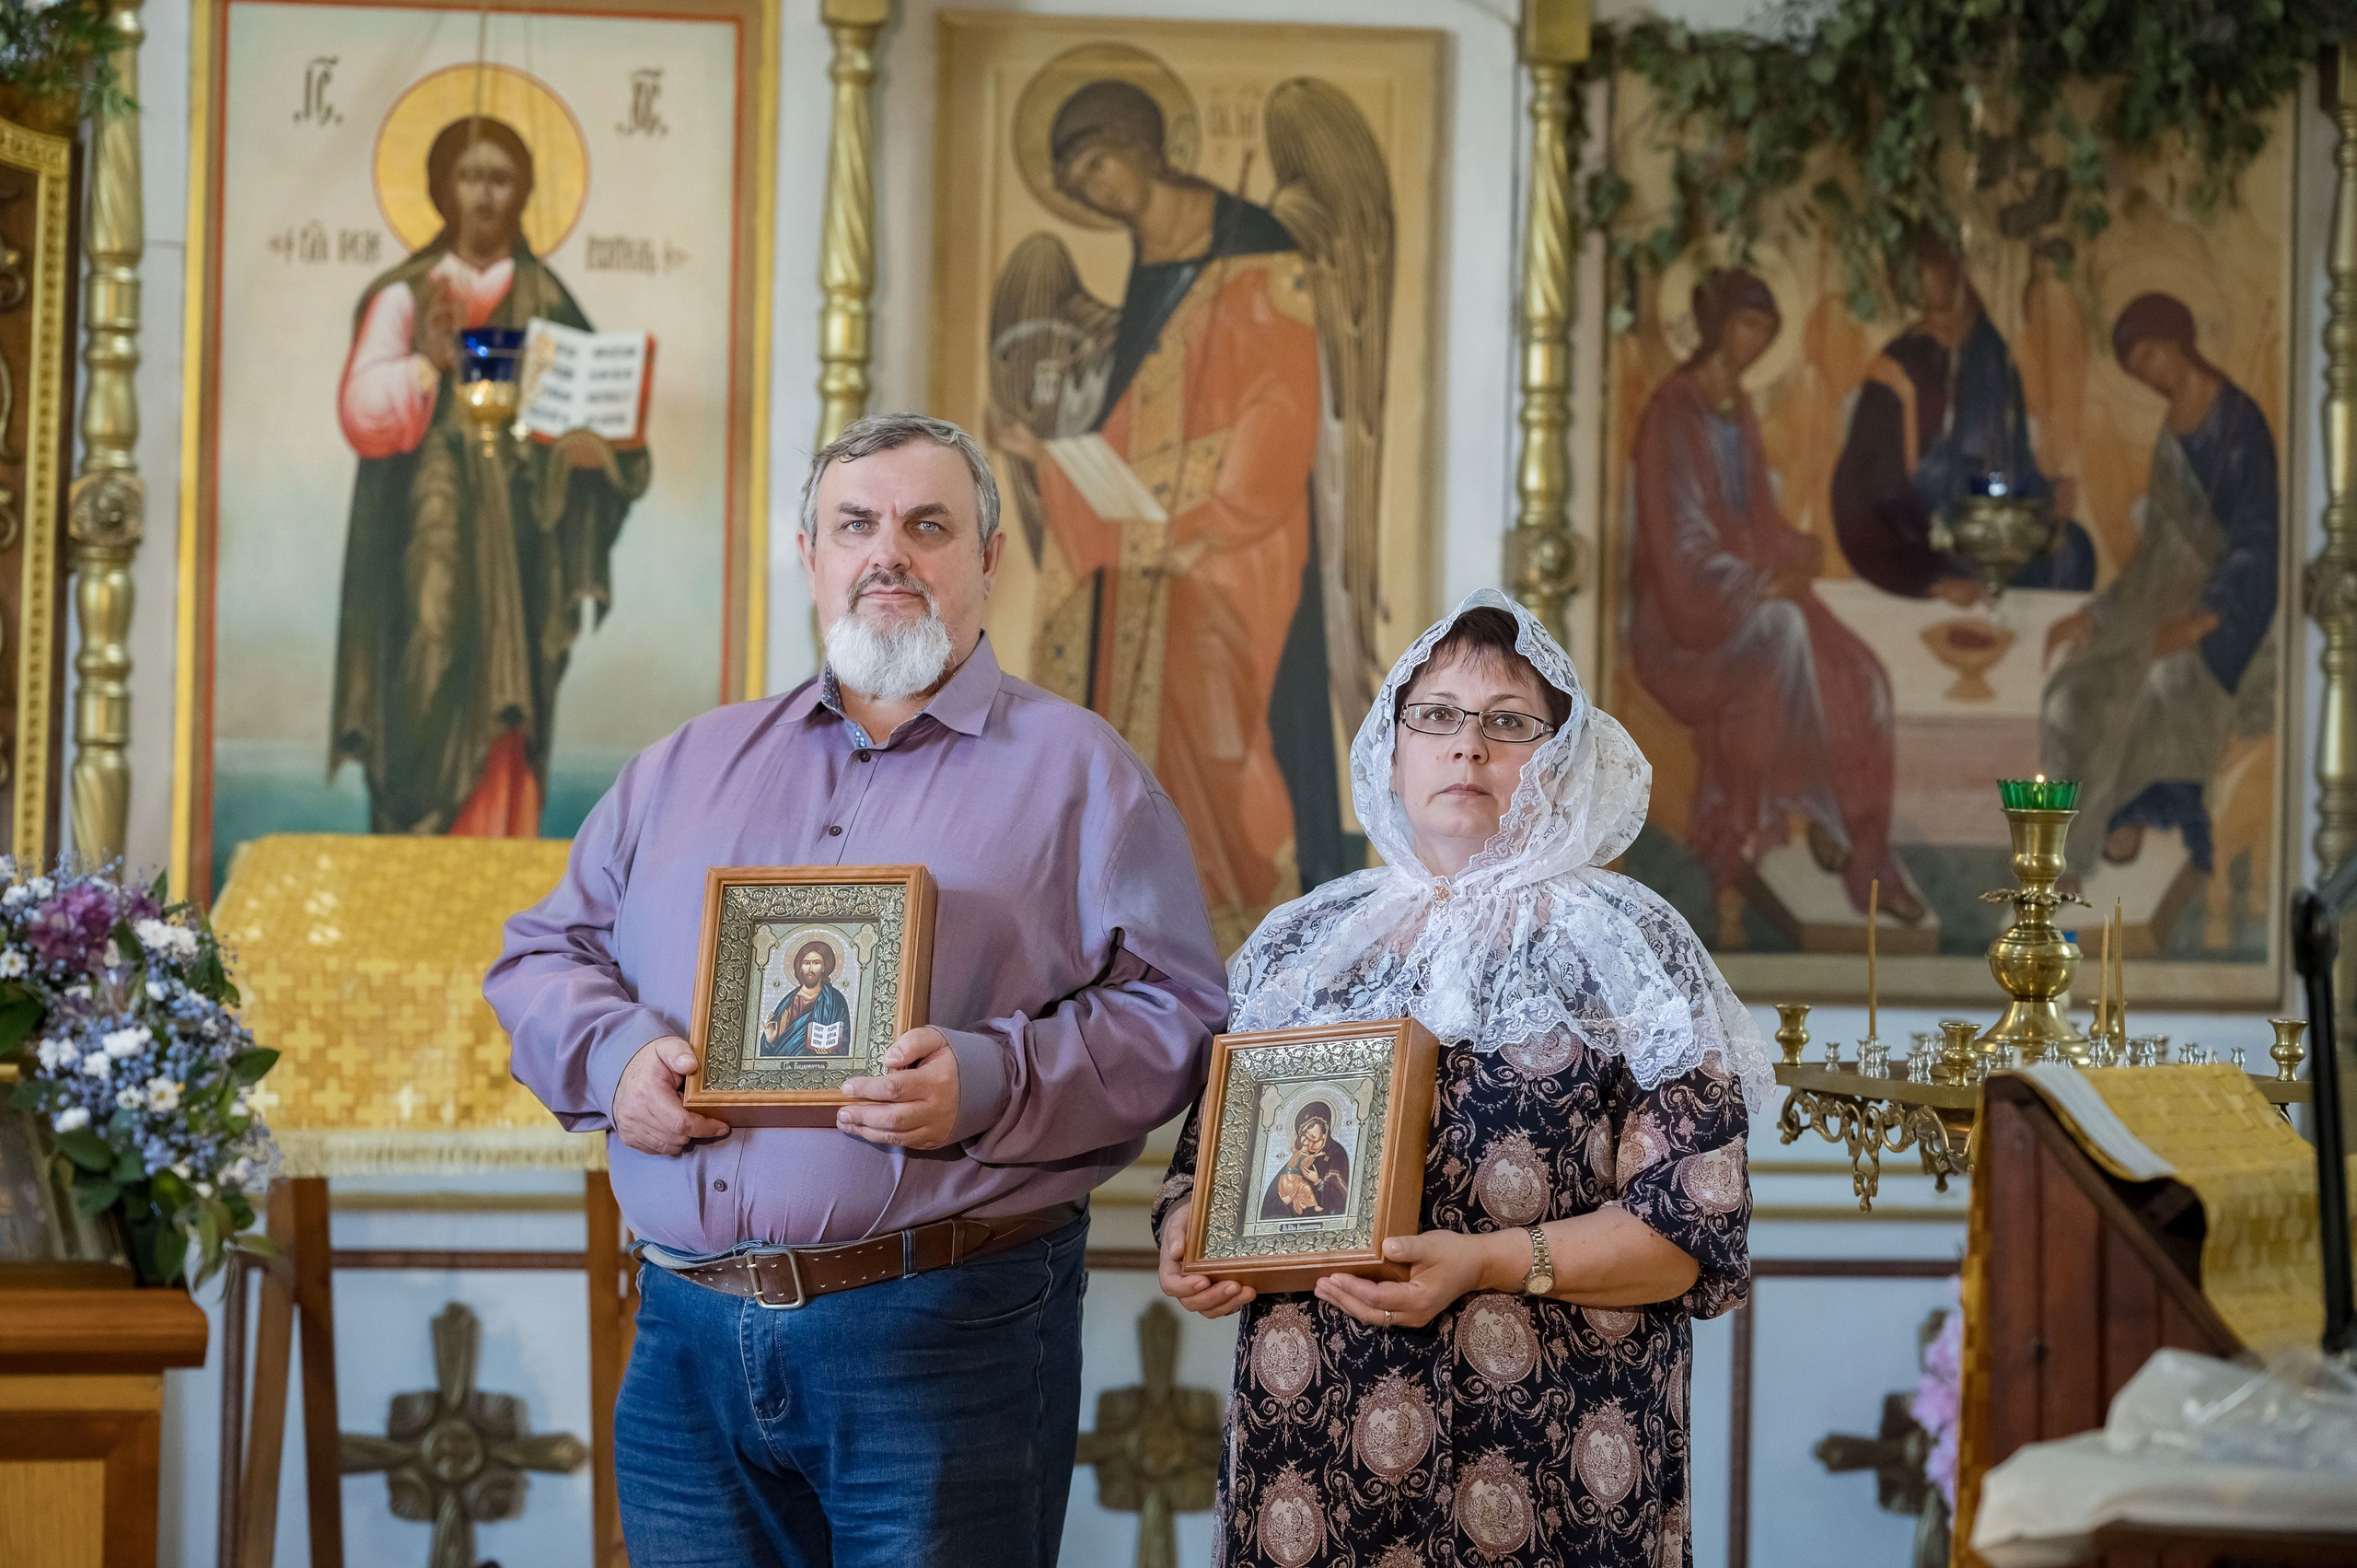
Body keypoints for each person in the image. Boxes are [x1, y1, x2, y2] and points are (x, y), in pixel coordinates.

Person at [486, 413, 1227, 1567]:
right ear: (810, 553)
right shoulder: (684, 765)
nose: (889, 552)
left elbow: (1180, 1014)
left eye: (928, 525)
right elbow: (540, 955)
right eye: (856, 524)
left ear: (987, 557)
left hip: (941, 1330)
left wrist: (991, 1079)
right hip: (683, 1335)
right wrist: (614, 1061)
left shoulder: (1084, 774)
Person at [1155, 590, 1767, 1567]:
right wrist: (1191, 1233)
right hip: (1307, 1466)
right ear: (1390, 748)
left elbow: (1690, 1233)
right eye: (1434, 715)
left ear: (1559, 761)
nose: (1466, 747)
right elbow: (1207, 1171)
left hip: (1557, 1461)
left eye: (1509, 723)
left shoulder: (1631, 947)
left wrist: (1484, 1260)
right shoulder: (1308, 944)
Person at [985, 76, 1344, 949]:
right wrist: (1046, 457)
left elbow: (1278, 417)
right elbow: (1129, 421)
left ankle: (1242, 913)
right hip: (1154, 556)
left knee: (1224, 728)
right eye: (1074, 187)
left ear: (1144, 146)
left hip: (1232, 549)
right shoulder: (1151, 266)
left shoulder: (1261, 253)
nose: (1092, 193)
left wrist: (1193, 513)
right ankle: (1146, 916)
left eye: (1097, 166)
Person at [332, 114, 650, 836]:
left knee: (515, 679)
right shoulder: (405, 295)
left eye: (500, 178)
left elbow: (604, 417)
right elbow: (360, 409)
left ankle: (496, 849)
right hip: (425, 514)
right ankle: (418, 834)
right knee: (428, 644)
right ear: (442, 188)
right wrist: (427, 364)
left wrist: (588, 456)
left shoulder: (549, 299)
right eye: (470, 176)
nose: (484, 194)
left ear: (523, 194)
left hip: (521, 540)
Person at [1628, 268, 1920, 931]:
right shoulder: (1674, 411)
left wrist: (1796, 549)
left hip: (1744, 597)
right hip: (1685, 627)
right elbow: (1679, 547)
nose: (1756, 342)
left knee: (1864, 675)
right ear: (1715, 325)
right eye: (1746, 325)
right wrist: (1761, 584)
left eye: (1767, 330)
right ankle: (1822, 815)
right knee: (1787, 631)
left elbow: (1755, 520)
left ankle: (1865, 847)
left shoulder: (1738, 407)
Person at [2041, 293, 2280, 880]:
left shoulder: (2239, 421)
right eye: (2134, 367)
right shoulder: (2172, 431)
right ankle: (2065, 846)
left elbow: (2258, 539)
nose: (2147, 373)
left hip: (2231, 609)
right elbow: (2158, 550)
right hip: (2157, 600)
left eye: (2150, 355)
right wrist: (2099, 612)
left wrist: (2205, 619)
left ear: (2177, 340)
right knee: (2073, 690)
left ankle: (2125, 816)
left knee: (2163, 682)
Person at [1830, 226, 2095, 598]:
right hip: (1929, 536)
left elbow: (2006, 475)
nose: (1923, 279)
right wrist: (1928, 578)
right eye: (1912, 271)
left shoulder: (1992, 357)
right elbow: (1864, 490)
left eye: (1931, 265)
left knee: (2073, 552)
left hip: (1987, 522)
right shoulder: (1899, 368)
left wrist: (2046, 497)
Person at [1260, 1102, 1350, 1220]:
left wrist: (1317, 1181)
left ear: (1324, 1124)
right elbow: (1271, 1205)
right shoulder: (1299, 1158)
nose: (1308, 1133)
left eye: (1311, 1126)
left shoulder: (1336, 1153)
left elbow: (1341, 1199)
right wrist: (1283, 1201)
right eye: (1304, 1131)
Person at [761, 941, 852, 1057]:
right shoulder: (788, 1002)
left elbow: (844, 1040)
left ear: (824, 967)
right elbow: (768, 1052)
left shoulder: (835, 1000)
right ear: (800, 967)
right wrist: (769, 1041)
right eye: (806, 963)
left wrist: (830, 1051)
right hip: (785, 1068)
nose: (810, 969)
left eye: (816, 963)